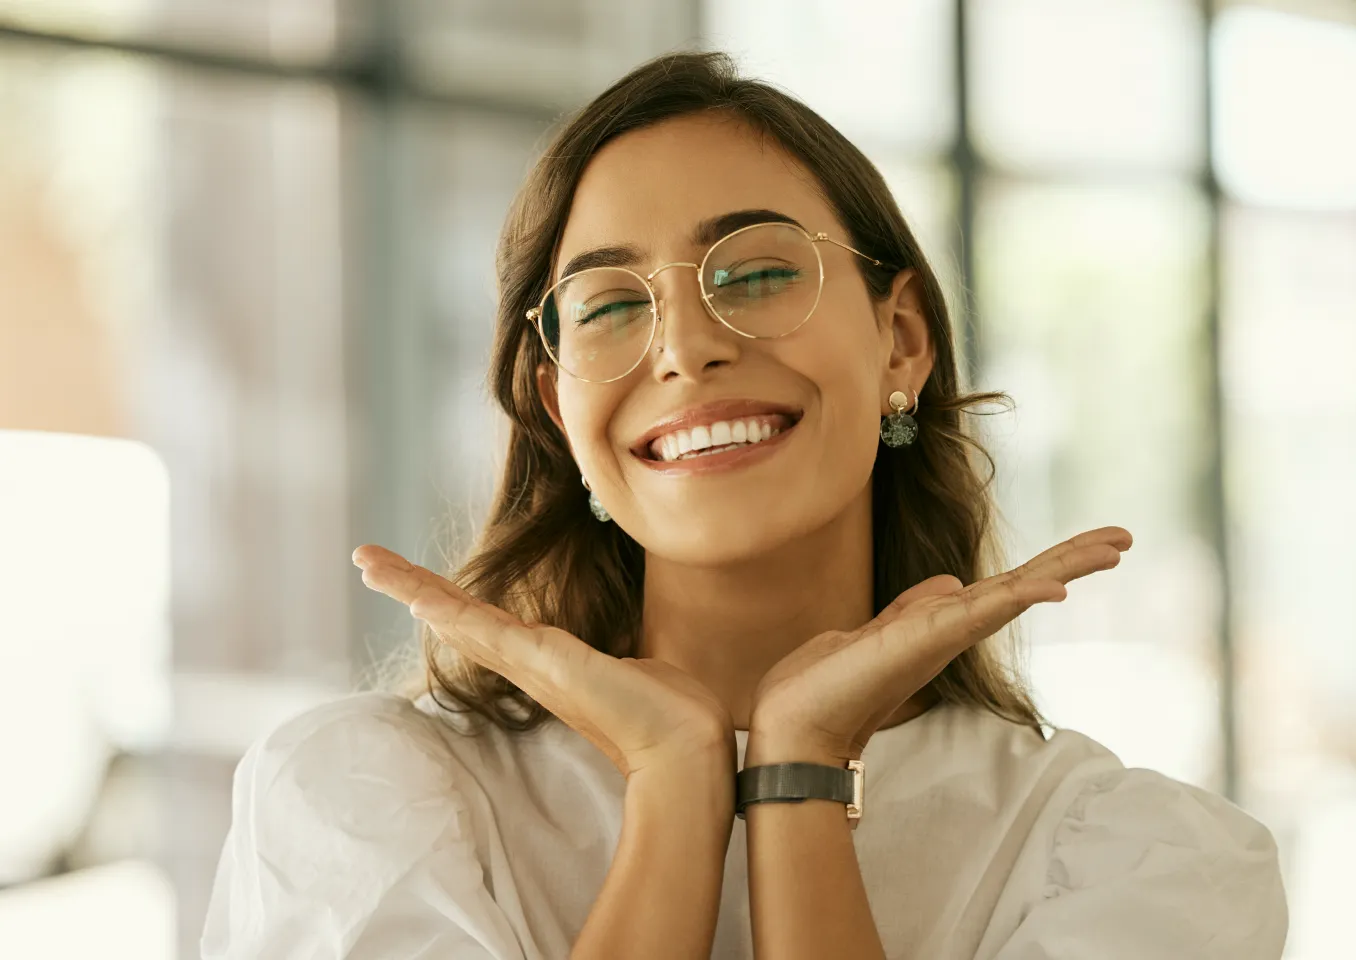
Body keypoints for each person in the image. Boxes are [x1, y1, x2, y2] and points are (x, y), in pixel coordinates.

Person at [200, 50, 1287, 960]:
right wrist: (673, 785)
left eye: (757, 275)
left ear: (901, 342)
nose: (684, 346)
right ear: (559, 409)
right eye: (611, 306)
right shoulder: (358, 804)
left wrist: (799, 774)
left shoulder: (1138, 861)